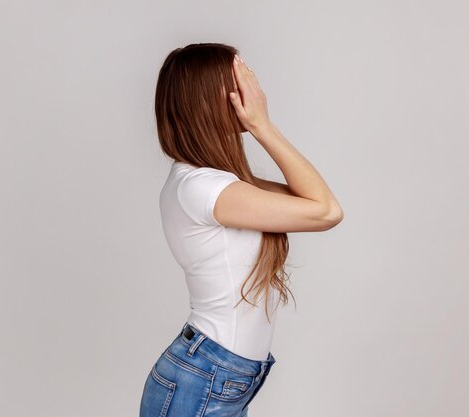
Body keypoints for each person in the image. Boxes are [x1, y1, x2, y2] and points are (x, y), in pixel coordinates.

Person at [139, 42, 343, 417]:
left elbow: (315, 202)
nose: (251, 89)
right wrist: (262, 125)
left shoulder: (220, 183)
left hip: (216, 379)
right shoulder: (202, 188)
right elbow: (325, 211)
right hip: (204, 381)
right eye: (235, 82)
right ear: (204, 101)